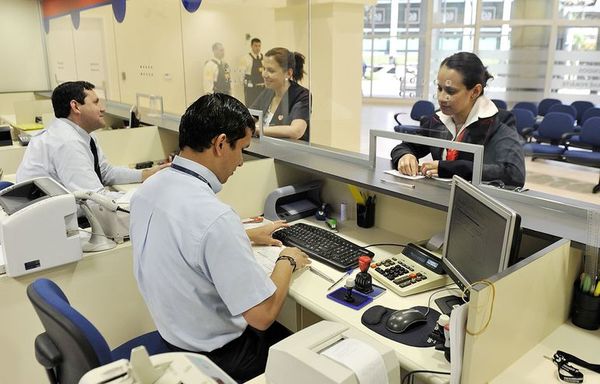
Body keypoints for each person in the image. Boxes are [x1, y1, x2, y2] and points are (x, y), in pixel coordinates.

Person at [130, 93, 310, 382]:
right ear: (221, 143)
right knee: (309, 347)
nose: (240, 162)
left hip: (174, 340)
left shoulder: (149, 190)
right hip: (222, 359)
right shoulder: (215, 218)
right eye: (242, 149)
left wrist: (244, 234)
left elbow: (185, 241)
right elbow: (262, 316)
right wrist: (287, 260)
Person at [390, 52, 525, 187]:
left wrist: (452, 168)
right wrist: (405, 156)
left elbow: (514, 174)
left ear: (475, 91)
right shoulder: (438, 120)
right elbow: (405, 146)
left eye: (451, 91)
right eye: (439, 88)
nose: (442, 98)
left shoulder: (499, 123)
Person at [16, 81, 166, 196]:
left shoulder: (81, 133)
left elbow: (105, 172)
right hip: (49, 224)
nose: (103, 108)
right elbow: (94, 199)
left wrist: (145, 174)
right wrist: (143, 196)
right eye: (95, 102)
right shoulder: (67, 142)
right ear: (75, 107)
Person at [251, 47, 310, 141]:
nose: (264, 74)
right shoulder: (268, 91)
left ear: (288, 73)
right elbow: (249, 118)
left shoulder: (302, 95)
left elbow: (296, 131)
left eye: (271, 71)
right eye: (264, 69)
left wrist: (257, 130)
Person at [241, 37, 265, 106]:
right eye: (255, 46)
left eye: (259, 46)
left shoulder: (263, 58)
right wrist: (246, 86)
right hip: (251, 90)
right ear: (251, 46)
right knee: (251, 107)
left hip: (262, 89)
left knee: (262, 107)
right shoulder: (245, 58)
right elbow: (241, 74)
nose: (258, 48)